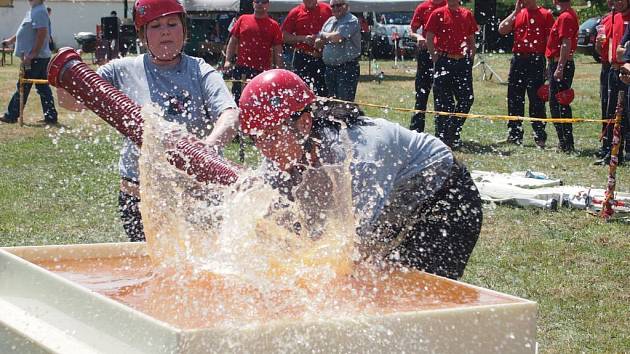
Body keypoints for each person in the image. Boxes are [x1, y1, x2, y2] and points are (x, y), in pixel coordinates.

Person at [239, 69, 483, 280]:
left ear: (303, 123)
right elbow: (267, 219)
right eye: (255, 138)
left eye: (271, 135)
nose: (264, 148)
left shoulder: (358, 156)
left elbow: (352, 246)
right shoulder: (282, 151)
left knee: (407, 289)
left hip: (444, 198)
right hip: (395, 203)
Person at [95, 0, 239, 241]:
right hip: (140, 195)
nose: (165, 31)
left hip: (196, 193)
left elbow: (230, 114)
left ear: (184, 29)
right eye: (155, 26)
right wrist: (67, 75)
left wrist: (210, 145)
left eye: (172, 24)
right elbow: (74, 102)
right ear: (142, 34)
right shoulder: (121, 70)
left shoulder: (200, 71)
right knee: (150, 268)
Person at [498, 0, 553, 147]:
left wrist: (549, 63)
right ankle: (514, 134)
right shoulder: (518, 13)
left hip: (536, 60)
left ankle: (539, 136)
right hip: (518, 59)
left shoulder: (545, 14)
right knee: (514, 98)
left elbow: (549, 41)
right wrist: (515, 12)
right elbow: (502, 29)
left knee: (537, 100)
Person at [424, 0, 478, 149]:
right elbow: (429, 36)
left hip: (462, 61)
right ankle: (442, 137)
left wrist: (471, 58)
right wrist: (435, 56)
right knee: (443, 101)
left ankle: (452, 131)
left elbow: (471, 38)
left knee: (467, 98)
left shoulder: (467, 14)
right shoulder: (437, 13)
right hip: (444, 60)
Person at [1, 0, 57, 125]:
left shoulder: (40, 11)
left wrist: (33, 54)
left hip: (36, 58)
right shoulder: (34, 10)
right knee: (42, 87)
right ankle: (51, 116)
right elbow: (24, 30)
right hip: (38, 58)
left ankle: (11, 115)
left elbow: (42, 33)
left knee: (23, 85)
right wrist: (10, 41)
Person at [224, 0, 284, 103]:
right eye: (257, 1)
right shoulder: (243, 19)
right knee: (238, 99)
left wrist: (278, 69)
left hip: (262, 71)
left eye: (263, 2)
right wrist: (228, 60)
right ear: (253, 4)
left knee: (260, 100)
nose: (260, 4)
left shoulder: (274, 25)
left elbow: (277, 49)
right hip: (241, 68)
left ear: (268, 5)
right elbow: (233, 41)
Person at [596, 0, 630, 165]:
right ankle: (611, 152)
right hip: (613, 70)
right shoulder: (613, 16)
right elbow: (610, 42)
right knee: (611, 112)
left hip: (627, 71)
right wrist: (611, 59)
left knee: (625, 114)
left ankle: (624, 151)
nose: (619, 2)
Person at [545, 0, 579, 153]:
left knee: (558, 103)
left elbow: (566, 43)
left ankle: (566, 143)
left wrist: (559, 67)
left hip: (561, 63)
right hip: (559, 63)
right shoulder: (568, 14)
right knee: (559, 102)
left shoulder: (565, 16)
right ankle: (564, 141)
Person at [408, 0, 446, 133]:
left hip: (444, 54)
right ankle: (416, 131)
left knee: (442, 94)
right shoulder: (423, 7)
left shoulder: (450, 5)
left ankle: (442, 132)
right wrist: (418, 36)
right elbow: (411, 30)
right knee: (421, 93)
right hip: (426, 53)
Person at [281, 0, 332, 97]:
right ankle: (304, 111)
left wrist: (323, 41)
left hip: (323, 58)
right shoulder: (296, 12)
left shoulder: (327, 9)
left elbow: (337, 29)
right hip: (302, 57)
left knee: (324, 93)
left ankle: (322, 111)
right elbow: (284, 36)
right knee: (301, 92)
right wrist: (303, 38)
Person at [314, 0, 361, 101]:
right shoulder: (329, 21)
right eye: (332, 6)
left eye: (338, 5)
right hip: (329, 69)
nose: (335, 8)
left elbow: (338, 37)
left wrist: (323, 35)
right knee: (331, 102)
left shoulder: (352, 20)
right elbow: (317, 43)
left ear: (346, 6)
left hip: (347, 68)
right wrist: (326, 37)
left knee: (344, 103)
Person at [595, 0, 615, 159]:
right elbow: (597, 48)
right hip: (606, 67)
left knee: (621, 109)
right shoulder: (606, 19)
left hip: (621, 67)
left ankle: (623, 146)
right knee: (606, 106)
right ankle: (606, 145)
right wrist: (597, 43)